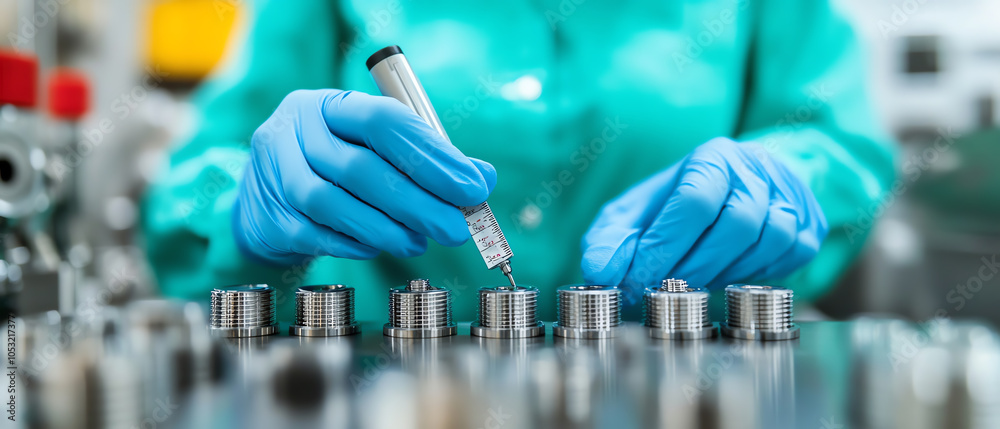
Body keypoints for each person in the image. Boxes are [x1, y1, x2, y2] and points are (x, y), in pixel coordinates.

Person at [140, 0, 895, 321]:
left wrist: (781, 183)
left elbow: (836, 144)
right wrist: (245, 204)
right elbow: (196, 173)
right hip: (377, 389)